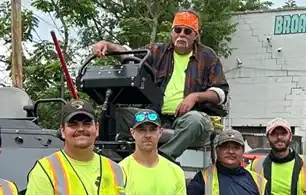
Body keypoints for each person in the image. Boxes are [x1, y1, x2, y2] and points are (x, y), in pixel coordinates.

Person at [91, 9, 230, 159]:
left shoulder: (208, 56)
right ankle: (114, 159)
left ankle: (163, 159)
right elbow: (129, 54)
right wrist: (107, 45)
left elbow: (221, 92)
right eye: (178, 30)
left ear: (196, 35)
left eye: (188, 31)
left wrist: (195, 97)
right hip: (154, 118)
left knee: (195, 120)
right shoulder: (157, 51)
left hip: (189, 122)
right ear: (172, 32)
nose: (182, 34)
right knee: (117, 114)